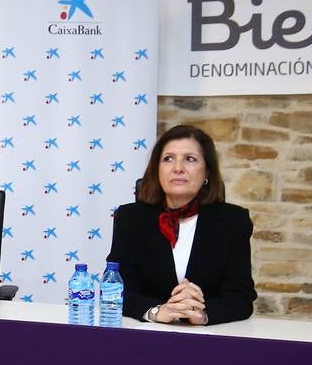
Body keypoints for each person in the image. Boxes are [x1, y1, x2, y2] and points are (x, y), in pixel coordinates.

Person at [107, 124, 256, 326]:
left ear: (207, 173)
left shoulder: (233, 221)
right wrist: (157, 311)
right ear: (157, 170)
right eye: (168, 159)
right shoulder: (131, 218)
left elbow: (241, 298)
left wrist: (203, 314)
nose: (178, 168)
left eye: (190, 159)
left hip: (209, 339)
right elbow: (116, 290)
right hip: (147, 335)